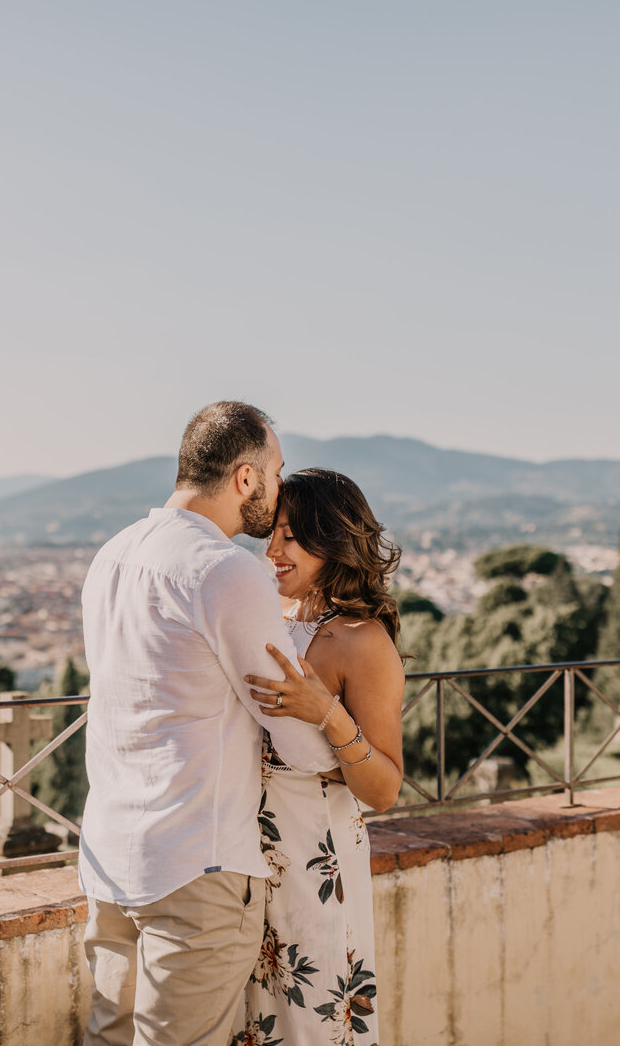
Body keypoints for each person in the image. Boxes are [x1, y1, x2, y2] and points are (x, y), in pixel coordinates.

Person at [79, 401, 340, 1046]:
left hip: (110, 859)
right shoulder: (224, 570)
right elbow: (288, 719)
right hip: (196, 863)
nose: (279, 490)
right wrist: (348, 750)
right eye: (276, 473)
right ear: (246, 479)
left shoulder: (110, 556)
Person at [237, 468, 406, 1046]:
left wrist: (326, 713)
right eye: (272, 534)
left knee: (311, 1019)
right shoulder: (269, 620)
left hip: (316, 861)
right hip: (246, 859)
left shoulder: (362, 641)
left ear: (331, 539)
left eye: (291, 536)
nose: (273, 550)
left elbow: (384, 789)